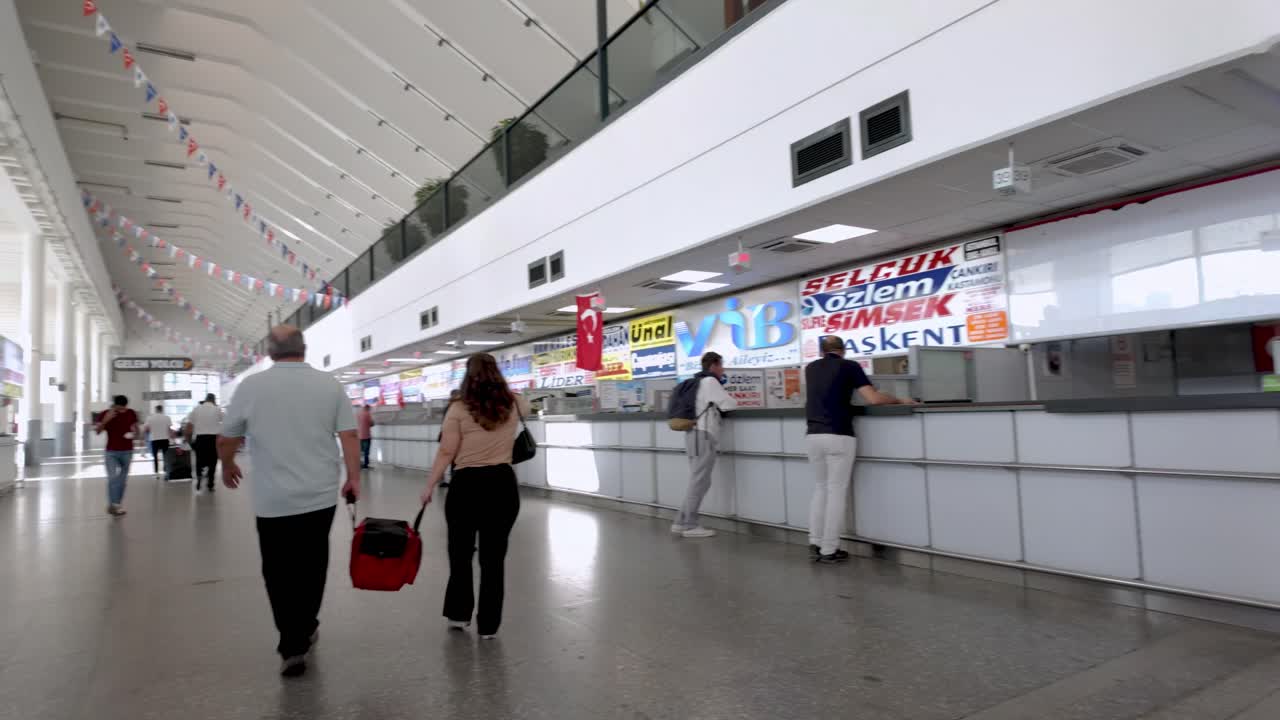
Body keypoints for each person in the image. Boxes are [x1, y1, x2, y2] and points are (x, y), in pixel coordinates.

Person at [217, 325, 361, 678]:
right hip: (320, 494)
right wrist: (354, 478)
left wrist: (228, 464)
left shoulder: (251, 386)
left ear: (269, 351)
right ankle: (308, 623)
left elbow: (226, 438)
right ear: (305, 349)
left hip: (272, 500)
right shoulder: (328, 384)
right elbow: (350, 434)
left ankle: (291, 643)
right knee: (313, 564)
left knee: (278, 571)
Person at [421, 354, 529, 639]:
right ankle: (489, 626)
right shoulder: (515, 402)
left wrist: (430, 485)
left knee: (460, 553)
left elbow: (446, 451)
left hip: (466, 485)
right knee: (494, 559)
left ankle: (458, 614)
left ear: (468, 375)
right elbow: (526, 404)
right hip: (503, 485)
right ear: (497, 373)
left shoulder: (457, 409)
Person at [804, 335, 913, 564]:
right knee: (836, 491)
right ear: (843, 350)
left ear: (822, 351)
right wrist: (899, 400)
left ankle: (815, 542)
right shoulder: (849, 366)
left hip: (813, 435)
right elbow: (873, 398)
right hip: (839, 434)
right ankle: (829, 549)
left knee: (820, 489)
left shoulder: (811, 368)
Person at [671, 351, 738, 538]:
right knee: (699, 481)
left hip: (693, 434)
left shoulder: (698, 382)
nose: (723, 369)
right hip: (704, 435)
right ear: (714, 365)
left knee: (698, 480)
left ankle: (680, 522)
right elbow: (729, 404)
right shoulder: (710, 382)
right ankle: (689, 525)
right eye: (721, 365)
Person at [94, 395, 140, 516]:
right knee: (113, 478)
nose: (122, 411)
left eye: (124, 409)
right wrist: (106, 420)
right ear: (114, 405)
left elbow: (136, 429)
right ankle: (114, 504)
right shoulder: (105, 413)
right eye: (120, 409)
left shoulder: (131, 413)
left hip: (127, 451)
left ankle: (116, 504)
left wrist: (135, 434)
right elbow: (97, 431)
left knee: (122, 480)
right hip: (111, 452)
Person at [185, 393, 223, 494]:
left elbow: (188, 427)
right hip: (213, 439)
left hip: (200, 439)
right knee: (213, 462)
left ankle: (198, 479)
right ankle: (210, 485)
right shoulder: (217, 409)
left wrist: (189, 441)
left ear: (205, 399)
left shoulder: (196, 409)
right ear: (213, 400)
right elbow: (226, 424)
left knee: (199, 461)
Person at [145, 404, 174, 479]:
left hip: (154, 439)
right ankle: (166, 473)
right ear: (162, 410)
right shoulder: (167, 418)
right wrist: (172, 438)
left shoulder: (150, 418)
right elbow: (169, 429)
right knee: (166, 457)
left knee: (155, 457)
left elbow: (147, 429)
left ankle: (156, 474)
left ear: (156, 410)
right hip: (165, 439)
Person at [356, 404, 374, 469]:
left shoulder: (358, 414)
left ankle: (359, 464)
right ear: (368, 408)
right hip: (366, 436)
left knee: (360, 451)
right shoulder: (368, 414)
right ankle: (365, 465)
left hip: (359, 436)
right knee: (366, 451)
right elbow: (372, 423)